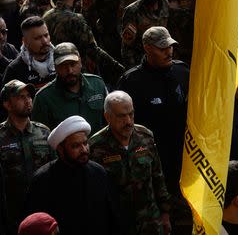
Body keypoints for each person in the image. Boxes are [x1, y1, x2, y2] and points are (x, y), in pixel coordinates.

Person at [117, 26, 190, 219]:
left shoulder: (182, 72)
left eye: (170, 46)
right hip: (149, 165)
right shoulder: (131, 81)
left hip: (183, 161)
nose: (169, 51)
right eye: (162, 48)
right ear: (147, 48)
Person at [89, 90, 171, 235]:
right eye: (121, 116)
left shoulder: (145, 137)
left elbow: (158, 177)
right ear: (107, 117)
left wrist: (165, 214)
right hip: (118, 224)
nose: (128, 121)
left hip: (150, 220)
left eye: (131, 114)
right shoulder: (96, 146)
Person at [25, 115, 121, 234]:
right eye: (76, 146)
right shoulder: (42, 180)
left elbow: (112, 216)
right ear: (60, 149)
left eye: (85, 143)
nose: (84, 149)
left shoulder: (98, 172)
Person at [0, 80, 54, 232]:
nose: (27, 100)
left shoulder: (44, 132)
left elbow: (54, 169)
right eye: (20, 97)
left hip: (43, 208)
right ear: (7, 104)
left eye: (28, 96)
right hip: (11, 213)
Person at [31, 42, 106, 133]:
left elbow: (109, 122)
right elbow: (39, 138)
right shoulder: (43, 98)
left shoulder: (97, 84)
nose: (70, 70)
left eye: (72, 64)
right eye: (63, 66)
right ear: (55, 67)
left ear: (80, 62)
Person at [119, 0, 171, 69]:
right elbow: (127, 47)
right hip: (144, 64)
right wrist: (134, 71)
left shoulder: (165, 5)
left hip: (165, 59)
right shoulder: (132, 11)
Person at [3, 16, 55, 90]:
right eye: (37, 38)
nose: (45, 41)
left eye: (46, 35)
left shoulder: (59, 60)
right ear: (25, 41)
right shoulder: (15, 70)